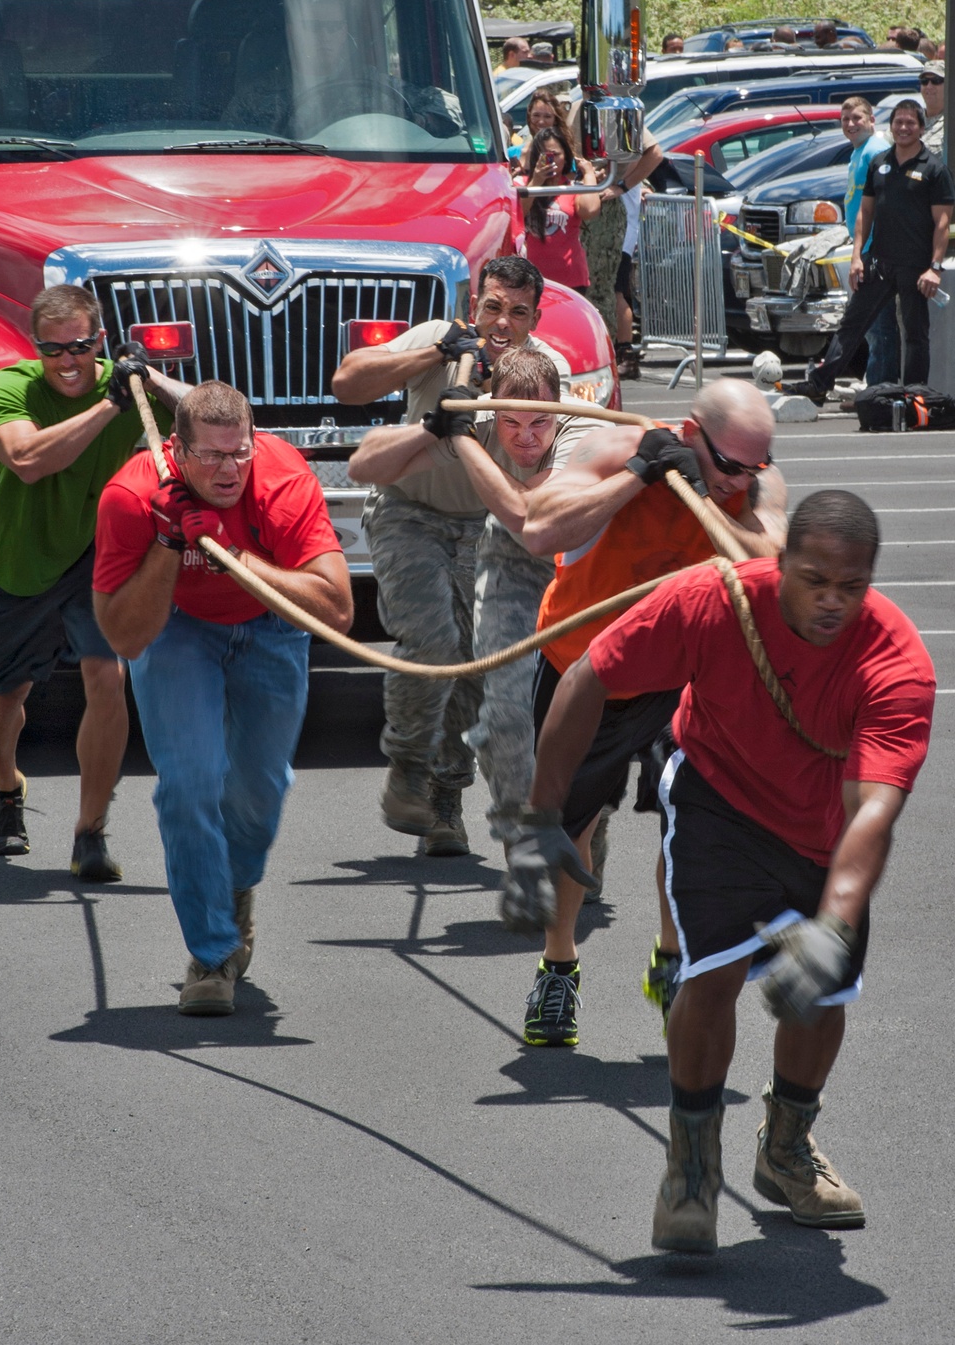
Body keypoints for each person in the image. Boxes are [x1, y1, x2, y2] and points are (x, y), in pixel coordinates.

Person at [505, 490, 934, 1252]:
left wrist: (835, 920)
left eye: (851, 585)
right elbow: (588, 677)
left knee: (821, 992)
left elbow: (873, 808)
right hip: (718, 797)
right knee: (713, 974)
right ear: (782, 563)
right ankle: (692, 1164)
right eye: (815, 579)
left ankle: (786, 1147)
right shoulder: (715, 601)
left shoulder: (896, 661)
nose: (832, 601)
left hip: (824, 829)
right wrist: (542, 816)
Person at [512, 378, 786, 1046]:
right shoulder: (613, 448)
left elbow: (770, 565)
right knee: (572, 829)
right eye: (730, 465)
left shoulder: (749, 484)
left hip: (681, 675)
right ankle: (558, 966)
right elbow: (539, 527)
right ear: (691, 433)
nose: (741, 481)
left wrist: (701, 495)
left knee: (686, 820)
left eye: (755, 467)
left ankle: (672, 962)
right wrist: (639, 475)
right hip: (585, 667)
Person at [92, 381, 352, 1015]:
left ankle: (234, 891)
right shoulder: (129, 496)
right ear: (177, 450)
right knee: (189, 782)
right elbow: (125, 635)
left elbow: (338, 610)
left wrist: (234, 555)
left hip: (271, 625)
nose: (229, 470)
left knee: (260, 792)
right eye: (210, 456)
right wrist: (167, 543)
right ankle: (210, 954)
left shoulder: (284, 478)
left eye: (239, 453)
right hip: (176, 629)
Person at [334, 256, 571, 854]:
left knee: (475, 661)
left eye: (518, 312)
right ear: (475, 307)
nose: (502, 322)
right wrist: (437, 357)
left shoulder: (545, 370)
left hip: (492, 525)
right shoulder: (441, 338)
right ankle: (408, 769)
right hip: (407, 513)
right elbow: (348, 383)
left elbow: (553, 463)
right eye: (492, 306)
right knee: (433, 641)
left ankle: (446, 791)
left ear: (534, 319)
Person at [0, 283, 189, 877]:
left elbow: (220, 411)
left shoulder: (127, 385)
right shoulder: (8, 388)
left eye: (80, 346)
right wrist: (112, 404)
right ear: (35, 348)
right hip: (19, 561)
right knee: (5, 695)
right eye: (53, 349)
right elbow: (29, 461)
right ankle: (5, 787)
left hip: (99, 558)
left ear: (99, 339)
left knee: (106, 677)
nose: (68, 361)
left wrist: (155, 378)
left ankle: (89, 832)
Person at [785, 101, 954, 405]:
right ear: (890, 127)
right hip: (879, 262)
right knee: (852, 325)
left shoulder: (934, 169)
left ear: (921, 127)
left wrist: (935, 267)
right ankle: (819, 384)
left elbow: (942, 223)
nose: (903, 128)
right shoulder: (880, 163)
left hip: (916, 266)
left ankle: (915, 397)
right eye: (898, 122)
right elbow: (865, 212)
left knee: (915, 334)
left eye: (910, 123)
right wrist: (856, 257)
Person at [839, 97, 898, 390]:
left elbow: (882, 205)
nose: (851, 124)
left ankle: (880, 389)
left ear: (872, 120)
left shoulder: (875, 150)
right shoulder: (859, 152)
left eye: (857, 118)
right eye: (845, 119)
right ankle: (875, 385)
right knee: (873, 325)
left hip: (877, 250)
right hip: (866, 247)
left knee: (879, 325)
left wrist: (861, 254)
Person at [600, 128, 665, 378]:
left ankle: (626, 355)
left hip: (619, 228)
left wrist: (622, 185)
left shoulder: (623, 115)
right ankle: (617, 352)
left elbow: (655, 154)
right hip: (600, 226)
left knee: (616, 291)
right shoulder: (593, 113)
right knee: (611, 290)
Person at [520, 126, 600, 294]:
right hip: (530, 281)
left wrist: (589, 174)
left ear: (566, 157)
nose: (551, 160)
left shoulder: (571, 188)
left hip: (571, 279)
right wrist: (537, 181)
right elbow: (517, 213)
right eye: (545, 155)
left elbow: (590, 210)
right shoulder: (523, 184)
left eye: (555, 155)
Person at [919, 61, 945, 154]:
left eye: (936, 81)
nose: (929, 86)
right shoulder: (911, 119)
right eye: (924, 81)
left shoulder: (951, 123)